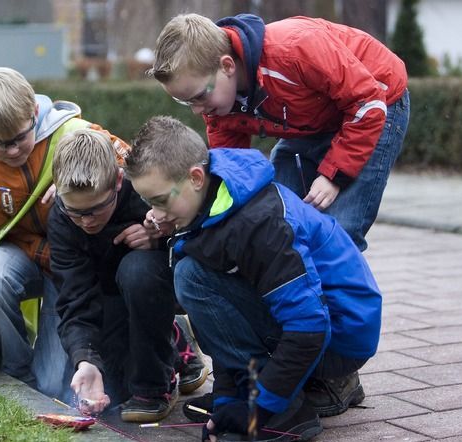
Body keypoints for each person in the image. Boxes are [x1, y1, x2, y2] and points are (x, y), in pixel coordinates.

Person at [125, 116, 383, 441]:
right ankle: (251, 392)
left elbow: (309, 326)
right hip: (319, 330)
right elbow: (223, 320)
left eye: (161, 200)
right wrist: (226, 402)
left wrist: (261, 409)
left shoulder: (258, 224)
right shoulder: (212, 201)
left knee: (192, 278)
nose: (155, 214)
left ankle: (287, 413)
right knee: (195, 274)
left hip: (337, 340)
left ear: (194, 177)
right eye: (149, 203)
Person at [0, 67, 130, 401]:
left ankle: (171, 333)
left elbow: (129, 164)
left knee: (54, 385)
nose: (12, 151)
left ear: (34, 112)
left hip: (70, 270)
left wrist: (74, 176)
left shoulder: (74, 133)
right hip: (23, 259)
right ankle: (15, 370)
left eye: (19, 138)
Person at [150, 13, 410, 252]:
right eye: (186, 102)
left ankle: (338, 299)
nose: (197, 110)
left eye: (198, 97)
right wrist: (176, 210)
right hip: (317, 117)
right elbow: (232, 174)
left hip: (376, 104)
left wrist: (333, 175)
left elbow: (367, 103)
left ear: (227, 66)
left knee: (340, 229)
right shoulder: (217, 105)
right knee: (275, 219)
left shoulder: (294, 50)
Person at [48, 128, 191, 422]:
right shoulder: (62, 219)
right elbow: (74, 298)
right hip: (104, 298)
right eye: (76, 212)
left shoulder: (145, 191)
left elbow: (197, 241)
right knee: (109, 386)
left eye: (97, 209)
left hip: (150, 282)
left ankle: (157, 386)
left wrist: (161, 237)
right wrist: (85, 359)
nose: (86, 222)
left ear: (117, 181)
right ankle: (176, 340)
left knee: (137, 270)